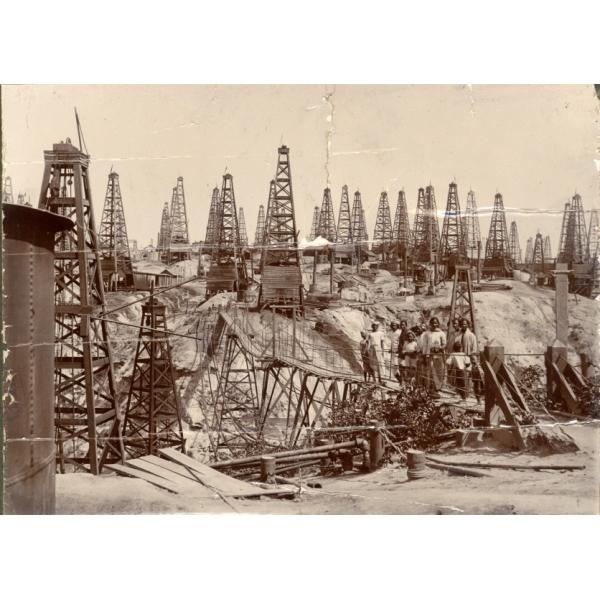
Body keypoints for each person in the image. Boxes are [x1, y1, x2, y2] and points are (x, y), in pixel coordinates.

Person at [422, 317, 447, 398]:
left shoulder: (441, 333)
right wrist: (425, 355)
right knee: (431, 372)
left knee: (439, 371)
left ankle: (438, 388)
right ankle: (432, 389)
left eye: (436, 323)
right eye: (432, 323)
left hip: (438, 355)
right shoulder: (427, 333)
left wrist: (439, 348)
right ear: (430, 324)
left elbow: (444, 344)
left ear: (438, 324)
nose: (434, 324)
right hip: (429, 355)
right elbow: (425, 345)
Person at [459, 319, 481, 400]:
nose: (463, 326)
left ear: (467, 325)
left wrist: (471, 357)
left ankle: (476, 397)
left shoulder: (471, 335)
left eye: (465, 324)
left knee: (474, 379)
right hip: (462, 358)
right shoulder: (459, 334)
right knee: (463, 378)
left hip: (469, 358)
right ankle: (464, 396)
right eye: (462, 324)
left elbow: (474, 348)